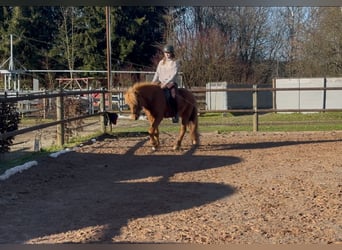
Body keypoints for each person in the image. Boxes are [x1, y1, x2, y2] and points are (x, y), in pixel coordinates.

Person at [152, 44, 180, 123]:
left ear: (172, 53)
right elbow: (157, 73)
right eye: (166, 52)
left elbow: (173, 75)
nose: (167, 54)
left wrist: (166, 83)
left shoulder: (175, 63)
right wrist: (152, 83)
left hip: (170, 83)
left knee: (172, 97)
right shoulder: (161, 62)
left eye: (169, 52)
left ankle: (175, 114)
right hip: (161, 83)